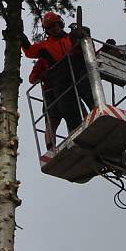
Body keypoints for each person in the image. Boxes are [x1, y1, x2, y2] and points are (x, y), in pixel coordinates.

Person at [21, 12, 95, 150]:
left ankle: (97, 118)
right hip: (59, 81)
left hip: (77, 71)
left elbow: (89, 52)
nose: (53, 28)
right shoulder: (45, 47)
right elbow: (30, 52)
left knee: (88, 92)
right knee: (64, 109)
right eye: (49, 27)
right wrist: (21, 37)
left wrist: (88, 38)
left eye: (54, 25)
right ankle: (73, 135)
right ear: (46, 30)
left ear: (60, 24)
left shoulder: (71, 38)